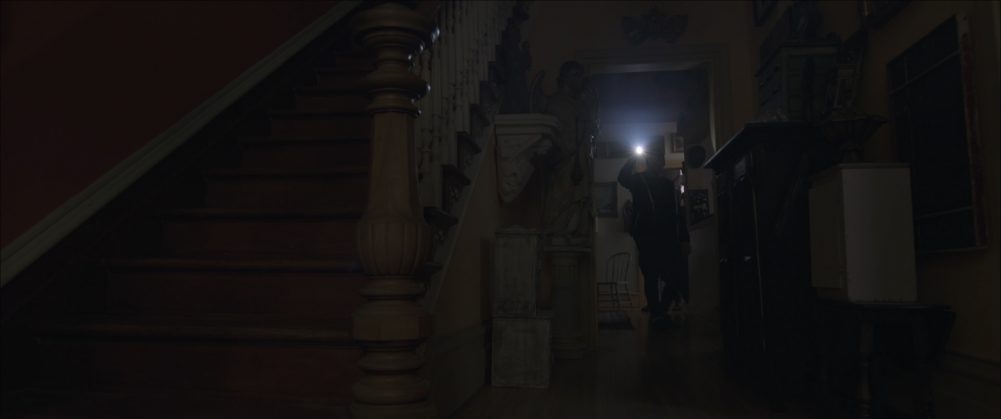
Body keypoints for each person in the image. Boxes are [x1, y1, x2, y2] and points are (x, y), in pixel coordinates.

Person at [617, 148, 683, 324]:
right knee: (654, 276)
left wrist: (681, 238)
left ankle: (659, 311)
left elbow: (675, 213)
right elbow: (622, 178)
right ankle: (657, 312)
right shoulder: (642, 180)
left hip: (659, 236)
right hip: (651, 236)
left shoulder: (662, 184)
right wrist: (632, 158)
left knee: (667, 276)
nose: (656, 164)